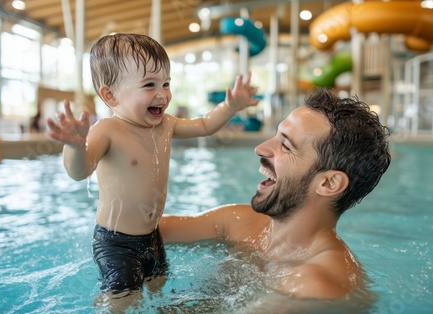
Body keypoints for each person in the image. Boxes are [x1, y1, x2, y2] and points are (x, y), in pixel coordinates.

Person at [46, 33, 259, 303]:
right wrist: (75, 147)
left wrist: (230, 106)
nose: (162, 94)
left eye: (166, 83)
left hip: (151, 236)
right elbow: (80, 172)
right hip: (116, 242)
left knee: (158, 287)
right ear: (110, 94)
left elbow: (205, 125)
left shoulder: (166, 125)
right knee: (123, 299)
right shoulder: (108, 131)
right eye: (149, 85)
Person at [159, 88, 391, 301]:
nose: (260, 148)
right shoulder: (238, 222)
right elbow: (140, 232)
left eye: (286, 146)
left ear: (329, 183)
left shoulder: (313, 285)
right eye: (276, 135)